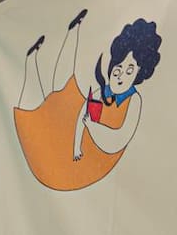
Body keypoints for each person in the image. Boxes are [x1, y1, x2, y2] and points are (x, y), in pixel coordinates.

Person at [14, 10, 161, 191]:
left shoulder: (134, 100)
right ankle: (67, 35)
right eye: (118, 69)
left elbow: (117, 141)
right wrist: (76, 145)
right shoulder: (103, 91)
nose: (121, 76)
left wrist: (89, 129)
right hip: (79, 146)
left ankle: (33, 60)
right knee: (63, 94)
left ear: (139, 74)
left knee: (42, 117)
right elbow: (82, 115)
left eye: (130, 71)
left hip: (87, 162)